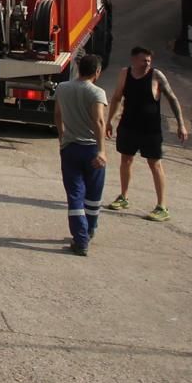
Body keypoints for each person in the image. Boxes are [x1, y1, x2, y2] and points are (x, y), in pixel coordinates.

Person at [106, 45, 191, 221]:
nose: (147, 63)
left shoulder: (156, 76)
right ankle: (123, 197)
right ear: (134, 60)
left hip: (150, 129)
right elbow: (116, 98)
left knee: (155, 164)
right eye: (144, 60)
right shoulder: (125, 74)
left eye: (149, 60)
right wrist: (110, 121)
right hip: (128, 126)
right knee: (126, 160)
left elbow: (173, 99)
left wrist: (181, 124)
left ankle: (162, 206)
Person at [52, 53, 111, 256]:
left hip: (70, 148)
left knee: (75, 195)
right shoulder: (97, 93)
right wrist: (102, 150)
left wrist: (62, 138)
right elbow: (99, 122)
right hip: (91, 149)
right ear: (97, 72)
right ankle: (89, 230)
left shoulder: (63, 88)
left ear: (78, 69)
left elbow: (58, 115)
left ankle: (80, 239)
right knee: (93, 196)